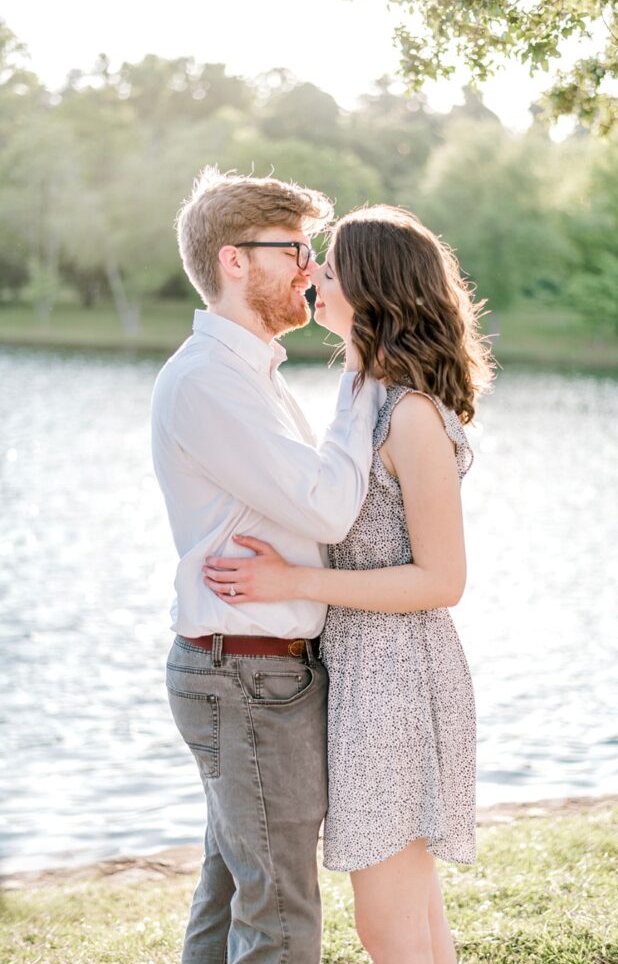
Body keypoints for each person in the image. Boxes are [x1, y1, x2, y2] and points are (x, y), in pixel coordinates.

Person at [202, 205, 494, 964]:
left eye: (326, 267)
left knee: (390, 923)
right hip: (365, 670)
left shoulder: (410, 415)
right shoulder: (365, 393)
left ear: (370, 287)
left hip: (397, 677)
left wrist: (291, 580)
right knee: (409, 915)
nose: (311, 275)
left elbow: (443, 579)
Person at [150, 169, 385, 964]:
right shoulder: (210, 380)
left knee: (232, 900)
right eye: (295, 249)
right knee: (279, 917)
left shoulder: (248, 375)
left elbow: (310, 508)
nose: (313, 268)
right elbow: (324, 508)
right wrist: (362, 376)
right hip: (245, 677)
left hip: (250, 672)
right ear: (234, 261)